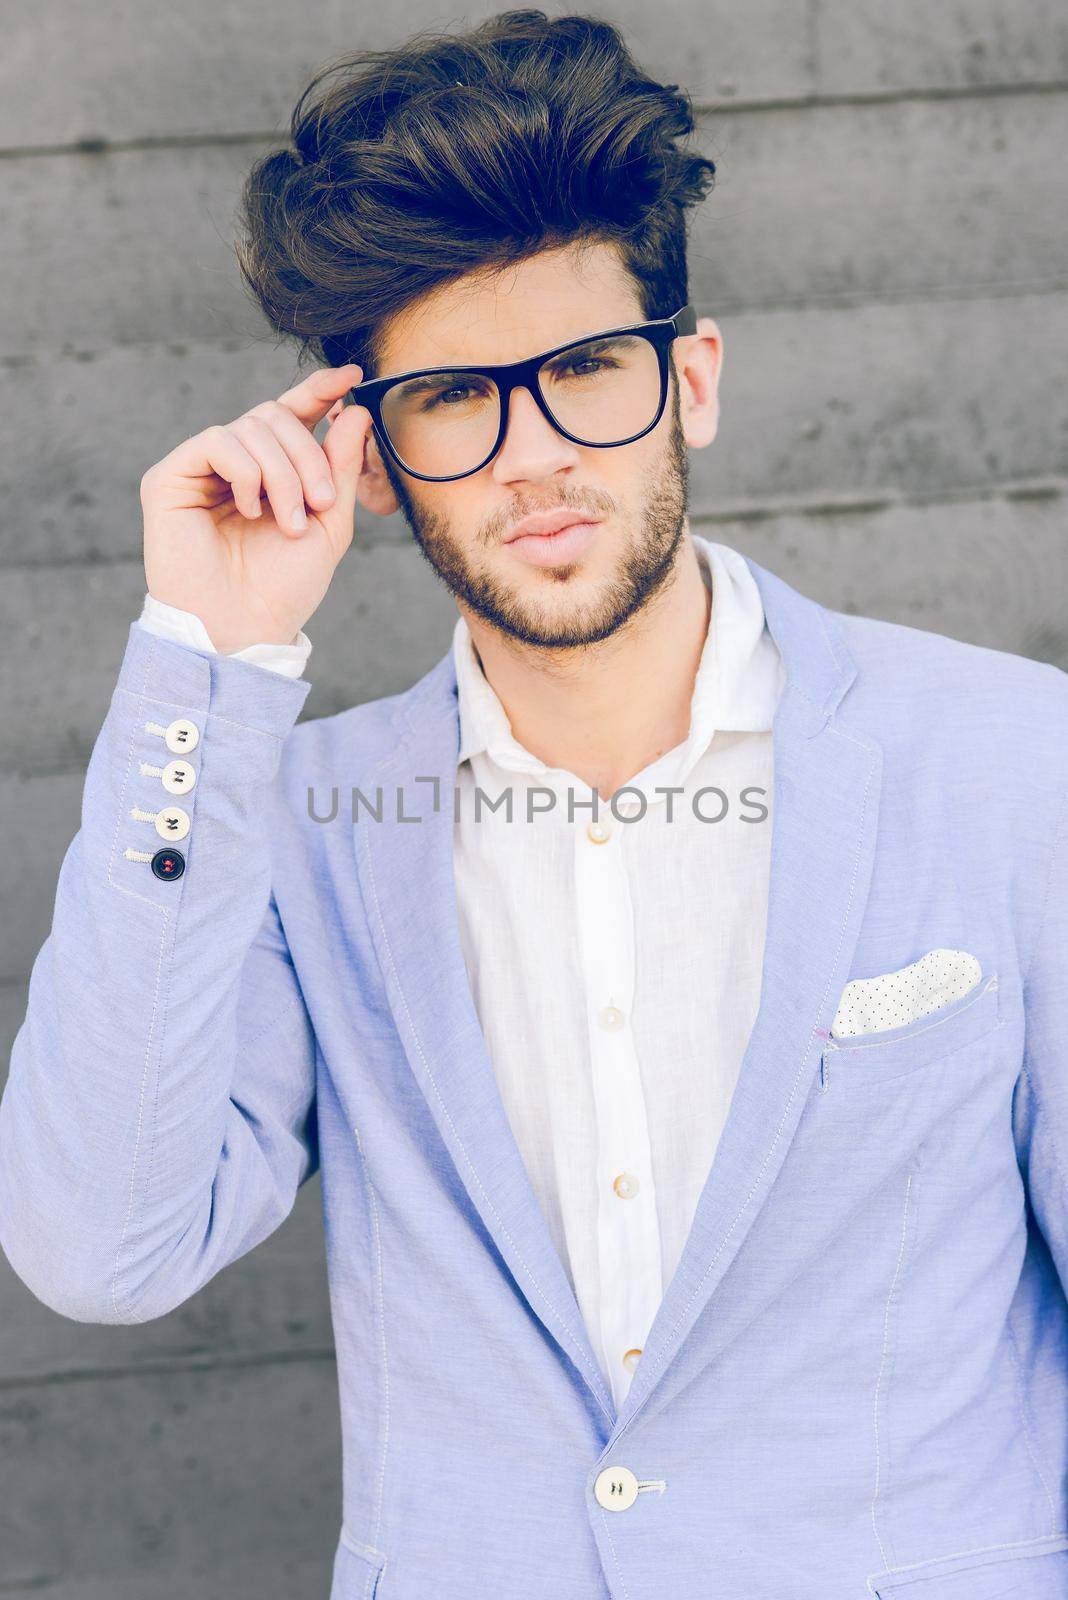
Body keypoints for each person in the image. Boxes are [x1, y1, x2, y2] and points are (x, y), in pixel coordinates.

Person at [2, 10, 1067, 1598]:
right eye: (456, 398)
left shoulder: (1011, 760)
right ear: (370, 454)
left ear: (689, 380)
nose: (538, 458)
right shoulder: (296, 820)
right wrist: (205, 669)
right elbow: (99, 1250)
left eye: (585, 369)